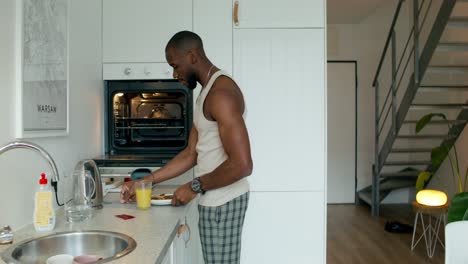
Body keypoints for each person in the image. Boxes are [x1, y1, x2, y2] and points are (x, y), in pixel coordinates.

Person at [120, 30, 253, 264]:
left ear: (192, 56)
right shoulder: (206, 92)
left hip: (224, 200)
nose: (174, 74)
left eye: (175, 66)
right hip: (214, 198)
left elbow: (242, 165)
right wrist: (146, 181)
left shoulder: (221, 94)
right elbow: (191, 153)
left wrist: (194, 186)